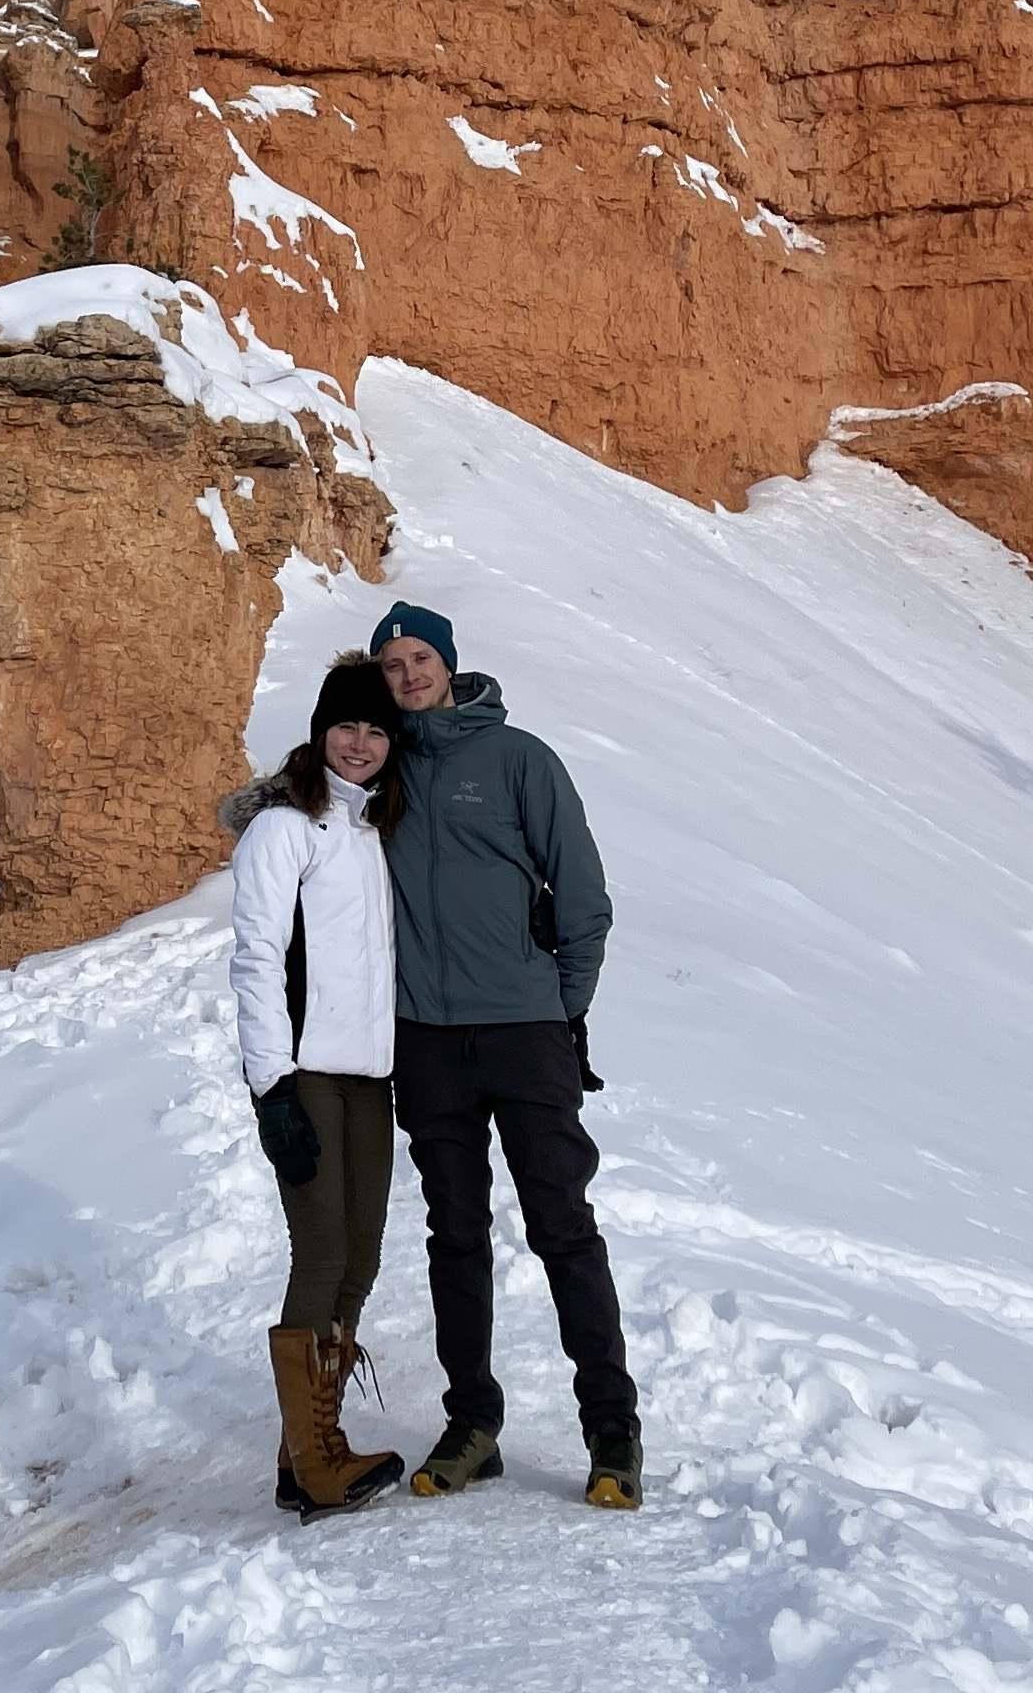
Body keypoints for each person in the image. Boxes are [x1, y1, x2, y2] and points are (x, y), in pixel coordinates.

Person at [370, 599, 642, 1511]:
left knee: (562, 1226)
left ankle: (612, 1430)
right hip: (427, 1041)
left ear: (449, 663)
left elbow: (584, 897)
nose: (410, 674)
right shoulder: (382, 770)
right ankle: (472, 1425)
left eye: (421, 658)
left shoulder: (520, 759)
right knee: (454, 1235)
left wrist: (559, 1008)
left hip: (525, 1035)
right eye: (393, 664)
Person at [228, 653, 412, 1515]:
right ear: (320, 730)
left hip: (368, 1078)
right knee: (323, 1252)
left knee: (361, 1257)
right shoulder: (284, 829)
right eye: (346, 726)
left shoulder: (376, 830)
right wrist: (271, 1086)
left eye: (376, 730)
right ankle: (317, 1462)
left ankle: (304, 1453)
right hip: (302, 1075)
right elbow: (257, 959)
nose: (360, 743)